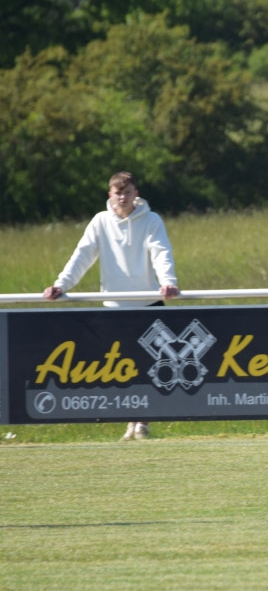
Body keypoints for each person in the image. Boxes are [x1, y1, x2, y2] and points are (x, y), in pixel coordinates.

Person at [42, 171, 179, 441]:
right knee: (123, 367)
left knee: (152, 365)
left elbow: (161, 252)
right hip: (115, 307)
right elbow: (82, 255)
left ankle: (142, 422)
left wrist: (168, 282)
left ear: (136, 193)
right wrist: (61, 285)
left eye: (127, 192)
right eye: (118, 193)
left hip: (148, 304)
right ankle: (131, 420)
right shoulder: (100, 222)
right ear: (110, 195)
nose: (123, 197)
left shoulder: (151, 220)